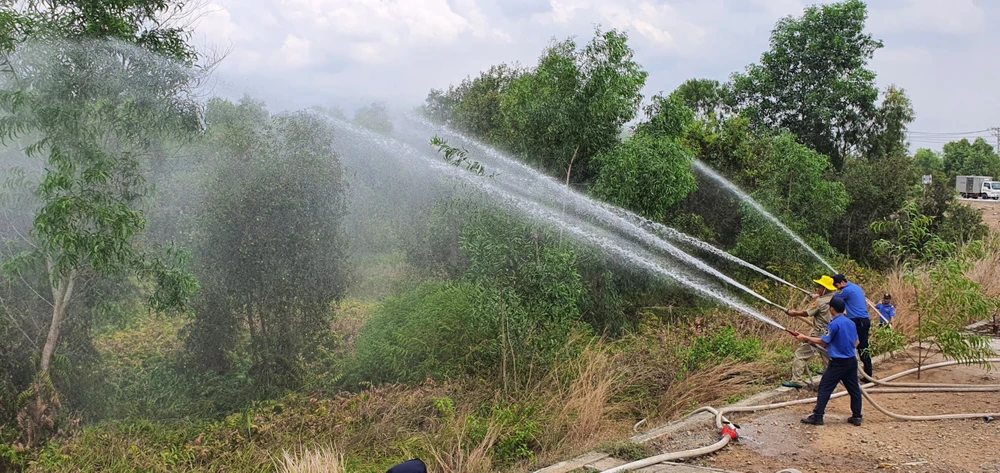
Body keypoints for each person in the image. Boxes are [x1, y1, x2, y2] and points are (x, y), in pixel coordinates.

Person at [791, 296, 863, 426]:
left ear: (832, 309)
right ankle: (857, 417)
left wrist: (805, 337)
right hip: (852, 361)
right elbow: (857, 342)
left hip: (838, 363)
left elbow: (823, 342)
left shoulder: (833, 324)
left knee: (824, 388)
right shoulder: (851, 323)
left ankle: (818, 417)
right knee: (854, 389)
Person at [781, 275, 836, 389]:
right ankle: (831, 384)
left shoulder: (820, 301)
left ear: (825, 289)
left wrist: (793, 312)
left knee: (800, 354)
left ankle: (796, 381)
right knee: (827, 358)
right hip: (831, 333)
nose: (818, 289)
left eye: (820, 287)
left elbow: (807, 313)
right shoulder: (836, 299)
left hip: (819, 335)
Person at [832, 274, 873, 378]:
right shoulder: (856, 287)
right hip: (864, 320)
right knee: (862, 346)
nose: (836, 288)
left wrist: (818, 296)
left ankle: (864, 375)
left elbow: (832, 299)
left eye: (836, 285)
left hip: (858, 321)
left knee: (857, 346)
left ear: (842, 282)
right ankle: (866, 373)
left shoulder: (846, 290)